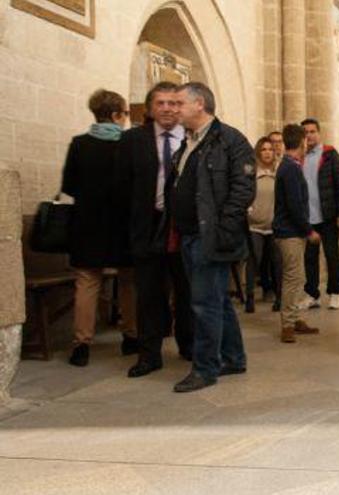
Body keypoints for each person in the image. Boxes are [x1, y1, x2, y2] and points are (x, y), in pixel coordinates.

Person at [170, 82, 255, 393]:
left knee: (204, 304)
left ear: (199, 104)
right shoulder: (189, 142)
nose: (175, 109)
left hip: (211, 237)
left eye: (180, 103)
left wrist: (222, 230)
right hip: (190, 235)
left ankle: (205, 368)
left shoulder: (230, 140)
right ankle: (234, 358)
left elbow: (243, 191)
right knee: (216, 300)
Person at [116, 81, 194, 378]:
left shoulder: (193, 139)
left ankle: (189, 345)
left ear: (183, 107)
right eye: (161, 103)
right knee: (148, 293)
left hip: (183, 228)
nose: (168, 109)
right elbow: (120, 188)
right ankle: (149, 355)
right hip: (147, 227)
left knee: (186, 290)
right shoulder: (132, 140)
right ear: (150, 108)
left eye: (174, 103)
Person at [62, 89, 137, 367]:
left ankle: (81, 344)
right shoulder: (129, 144)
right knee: (129, 281)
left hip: (87, 224)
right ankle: (131, 336)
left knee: (87, 282)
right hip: (123, 223)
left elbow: (68, 185)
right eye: (125, 114)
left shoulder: (79, 144)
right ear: (117, 115)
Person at [274, 124, 321, 343]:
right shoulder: (290, 168)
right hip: (289, 232)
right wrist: (308, 230)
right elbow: (294, 205)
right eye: (305, 140)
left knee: (299, 277)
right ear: (301, 141)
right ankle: (287, 325)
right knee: (293, 279)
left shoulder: (290, 165)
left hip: (293, 231)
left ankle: (296, 318)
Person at [299, 118, 339, 310]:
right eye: (305, 132)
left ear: (319, 133)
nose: (309, 135)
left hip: (328, 216)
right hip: (308, 218)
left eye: (312, 131)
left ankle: (335, 292)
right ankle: (312, 294)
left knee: (332, 255)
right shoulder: (300, 157)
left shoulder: (329, 154)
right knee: (310, 258)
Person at [245, 137, 282, 313]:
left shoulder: (279, 172)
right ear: (258, 152)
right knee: (255, 260)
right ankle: (250, 298)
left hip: (274, 225)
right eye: (264, 149)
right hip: (255, 225)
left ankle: (279, 297)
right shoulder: (252, 173)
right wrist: (248, 210)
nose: (267, 152)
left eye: (270, 149)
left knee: (277, 262)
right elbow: (245, 195)